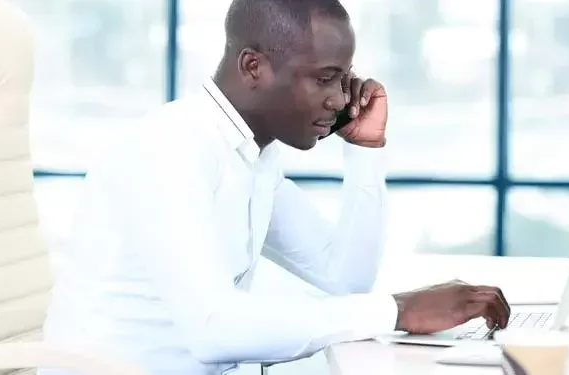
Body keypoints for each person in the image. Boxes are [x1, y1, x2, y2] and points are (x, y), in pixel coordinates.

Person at [40, 0, 511, 374]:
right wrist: (396, 310)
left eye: (344, 79)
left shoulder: (254, 157)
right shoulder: (171, 149)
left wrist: (364, 151)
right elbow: (213, 330)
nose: (341, 98)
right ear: (252, 67)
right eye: (324, 78)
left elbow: (344, 276)